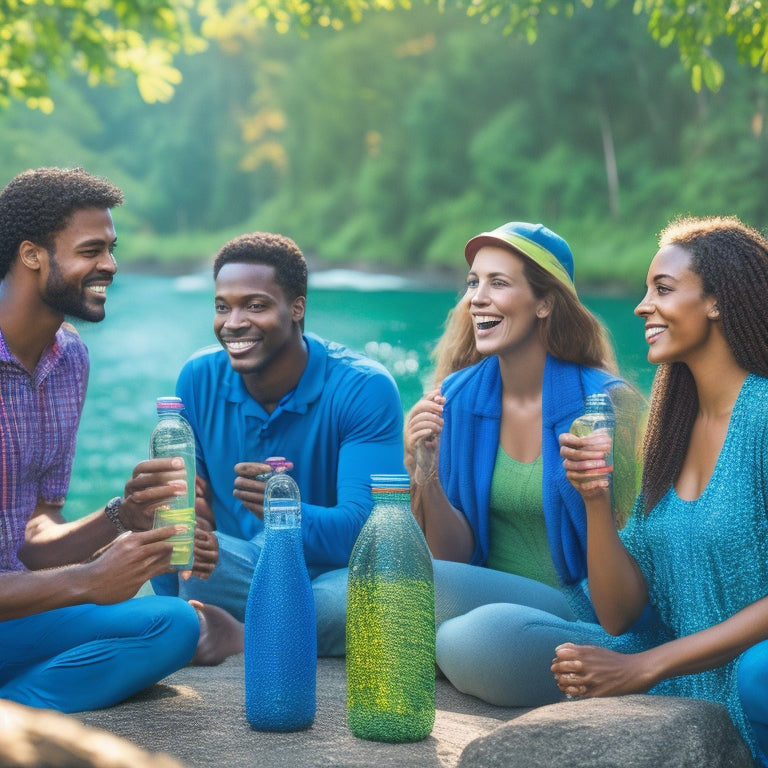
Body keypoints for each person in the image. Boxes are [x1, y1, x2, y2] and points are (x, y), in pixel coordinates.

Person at [0, 166, 233, 713]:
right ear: (32, 254)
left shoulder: (67, 358)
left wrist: (124, 518)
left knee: (173, 622)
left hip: (12, 614)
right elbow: (67, 579)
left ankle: (17, 711)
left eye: (111, 248)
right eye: (91, 249)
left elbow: (30, 537)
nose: (110, 264)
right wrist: (86, 581)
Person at [404, 221, 655, 707]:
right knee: (396, 578)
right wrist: (426, 474)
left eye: (499, 282)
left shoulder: (607, 406)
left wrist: (595, 495)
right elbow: (450, 559)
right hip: (486, 594)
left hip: (582, 614)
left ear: (544, 302)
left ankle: (435, 648)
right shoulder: (455, 398)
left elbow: (636, 585)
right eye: (473, 282)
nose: (477, 297)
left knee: (467, 639)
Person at [553, 216, 768, 766]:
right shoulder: (670, 430)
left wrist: (645, 667)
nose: (642, 306)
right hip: (685, 681)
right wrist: (595, 498)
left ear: (717, 301)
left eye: (663, 289)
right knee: (541, 650)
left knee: (758, 673)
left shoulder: (763, 415)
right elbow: (620, 614)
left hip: (751, 680)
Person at [151, 231, 405, 656]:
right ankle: (195, 624)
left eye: (255, 305)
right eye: (222, 307)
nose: (232, 323)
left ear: (297, 308)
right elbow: (195, 518)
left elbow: (369, 535)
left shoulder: (365, 388)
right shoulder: (197, 379)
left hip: (329, 574)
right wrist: (180, 517)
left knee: (363, 601)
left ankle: (242, 634)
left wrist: (285, 509)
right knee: (179, 556)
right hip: (243, 567)